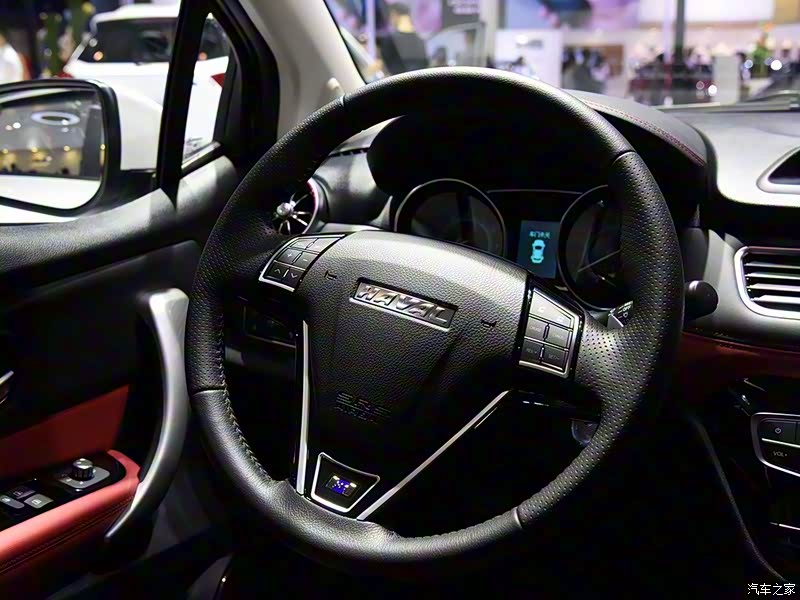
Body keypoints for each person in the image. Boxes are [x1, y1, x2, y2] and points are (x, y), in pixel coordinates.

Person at [376, 2, 428, 75]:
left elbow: (380, 65)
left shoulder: (390, 40)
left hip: (399, 81)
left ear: (394, 14)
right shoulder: (420, 41)